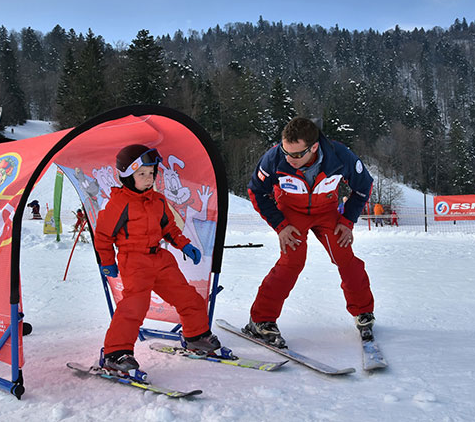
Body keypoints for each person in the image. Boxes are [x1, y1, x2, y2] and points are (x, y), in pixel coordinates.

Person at [246, 117, 376, 346]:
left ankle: (363, 313)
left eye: (296, 155)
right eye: (286, 152)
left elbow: (363, 186)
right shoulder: (274, 158)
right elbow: (256, 191)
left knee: (344, 256)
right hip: (291, 213)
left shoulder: (340, 156)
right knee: (292, 262)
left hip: (326, 212)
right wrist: (280, 225)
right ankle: (261, 320)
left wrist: (347, 221)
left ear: (314, 147)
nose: (290, 159)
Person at [93, 144, 221, 376]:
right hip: (134, 261)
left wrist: (185, 245)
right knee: (134, 306)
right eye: (141, 174)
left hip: (160, 259)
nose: (148, 178)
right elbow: (103, 236)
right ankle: (115, 354)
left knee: (187, 295)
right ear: (127, 176)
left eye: (151, 173)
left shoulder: (159, 201)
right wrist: (107, 262)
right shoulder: (119, 204)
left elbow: (169, 229)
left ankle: (196, 336)